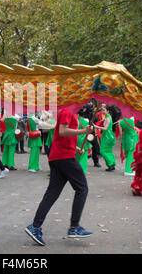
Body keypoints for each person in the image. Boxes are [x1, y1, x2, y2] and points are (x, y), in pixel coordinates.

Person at [25, 108, 93, 246]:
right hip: (65, 158)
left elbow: (60, 135)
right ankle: (74, 227)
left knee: (52, 193)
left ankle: (35, 226)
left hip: (59, 156)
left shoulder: (67, 111)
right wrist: (83, 131)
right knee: (82, 189)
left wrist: (75, 148)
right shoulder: (68, 110)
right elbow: (62, 131)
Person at [94, 104, 116, 172]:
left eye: (104, 110)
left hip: (107, 136)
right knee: (108, 150)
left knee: (102, 151)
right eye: (102, 110)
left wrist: (96, 127)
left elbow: (105, 128)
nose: (102, 111)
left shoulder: (108, 118)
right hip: (109, 135)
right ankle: (112, 164)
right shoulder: (108, 117)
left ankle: (110, 164)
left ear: (108, 111)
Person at [76, 109, 92, 174]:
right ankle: (82, 170)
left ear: (78, 115)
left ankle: (77, 169)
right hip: (85, 139)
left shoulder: (76, 121)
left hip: (77, 138)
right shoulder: (86, 121)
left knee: (77, 155)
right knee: (84, 156)